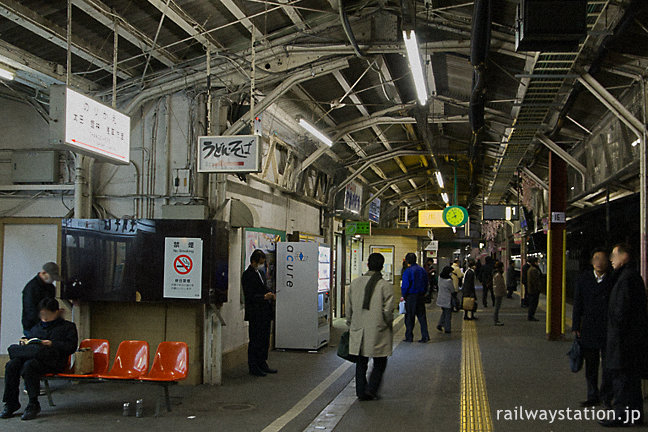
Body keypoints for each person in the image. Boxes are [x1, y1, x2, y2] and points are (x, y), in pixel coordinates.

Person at [2, 298, 78, 421]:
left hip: (54, 361)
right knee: (12, 364)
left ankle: (33, 403)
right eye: (42, 315)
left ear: (56, 312)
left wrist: (52, 343)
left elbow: (71, 347)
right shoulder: (36, 327)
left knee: (29, 366)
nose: (45, 318)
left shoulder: (68, 327)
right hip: (34, 356)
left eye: (48, 314)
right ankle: (11, 402)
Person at [599, 243, 648, 427]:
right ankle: (635, 416)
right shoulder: (631, 277)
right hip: (632, 342)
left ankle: (621, 415)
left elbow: (620, 314)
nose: (611, 260)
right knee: (632, 382)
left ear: (624, 256)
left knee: (622, 381)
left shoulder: (625, 280)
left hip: (623, 343)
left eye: (614, 255)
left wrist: (615, 338)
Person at [346, 253, 394, 401]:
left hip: (359, 327)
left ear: (367, 265)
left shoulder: (355, 283)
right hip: (378, 329)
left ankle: (361, 391)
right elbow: (388, 310)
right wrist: (387, 322)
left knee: (361, 361)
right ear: (382, 266)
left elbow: (349, 308)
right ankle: (371, 389)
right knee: (380, 361)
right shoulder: (385, 285)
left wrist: (350, 322)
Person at [572, 248, 613, 408]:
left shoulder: (613, 279)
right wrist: (575, 325)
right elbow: (577, 304)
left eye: (602, 259)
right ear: (591, 262)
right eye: (596, 259)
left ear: (607, 262)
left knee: (608, 365)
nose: (599, 262)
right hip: (588, 328)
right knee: (591, 365)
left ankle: (606, 396)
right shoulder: (583, 279)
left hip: (607, 329)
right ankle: (592, 395)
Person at [242, 249, 277, 377]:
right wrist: (263, 297)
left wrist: (271, 294)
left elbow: (264, 288)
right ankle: (254, 366)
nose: (262, 265)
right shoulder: (247, 275)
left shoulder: (260, 274)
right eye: (260, 262)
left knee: (264, 339)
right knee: (255, 340)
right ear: (254, 261)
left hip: (265, 312)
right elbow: (249, 295)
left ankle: (263, 362)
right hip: (255, 313)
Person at [22, 263, 60, 337]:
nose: (53, 280)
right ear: (44, 273)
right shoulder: (31, 288)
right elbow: (30, 311)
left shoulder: (50, 288)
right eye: (52, 277)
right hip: (33, 327)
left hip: (46, 325)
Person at [400, 253, 430, 343]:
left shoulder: (408, 271)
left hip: (410, 297)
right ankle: (425, 336)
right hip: (420, 296)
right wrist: (424, 293)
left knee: (409, 317)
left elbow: (405, 286)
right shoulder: (422, 270)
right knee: (422, 317)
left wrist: (403, 295)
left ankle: (409, 337)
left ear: (407, 261)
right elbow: (426, 283)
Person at [436, 266, 454, 334]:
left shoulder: (439, 277)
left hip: (440, 298)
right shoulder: (449, 281)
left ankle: (440, 324)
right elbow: (452, 290)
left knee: (444, 312)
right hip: (447, 299)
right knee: (448, 315)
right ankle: (447, 329)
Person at [526, 257, 542, 321]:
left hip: (531, 289)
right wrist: (538, 288)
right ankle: (531, 316)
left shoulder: (531, 269)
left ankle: (531, 316)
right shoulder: (533, 270)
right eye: (537, 262)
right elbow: (535, 281)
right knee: (533, 303)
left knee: (532, 303)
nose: (538, 263)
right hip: (534, 290)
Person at [493, 261, 506, 326]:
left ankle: (496, 320)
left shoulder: (497, 274)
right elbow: (499, 285)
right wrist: (503, 292)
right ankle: (496, 320)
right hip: (498, 293)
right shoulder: (498, 275)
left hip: (497, 292)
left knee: (497, 306)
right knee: (497, 307)